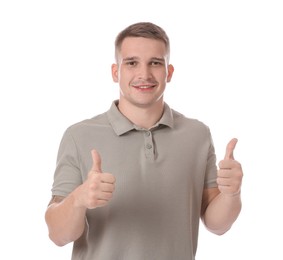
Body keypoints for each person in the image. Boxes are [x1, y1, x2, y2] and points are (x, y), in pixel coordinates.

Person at [45, 22, 243, 260]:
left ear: (168, 72)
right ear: (115, 72)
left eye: (155, 63)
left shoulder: (197, 134)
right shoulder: (79, 136)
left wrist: (232, 194)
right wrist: (79, 199)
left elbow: (217, 225)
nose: (144, 74)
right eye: (131, 63)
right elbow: (58, 235)